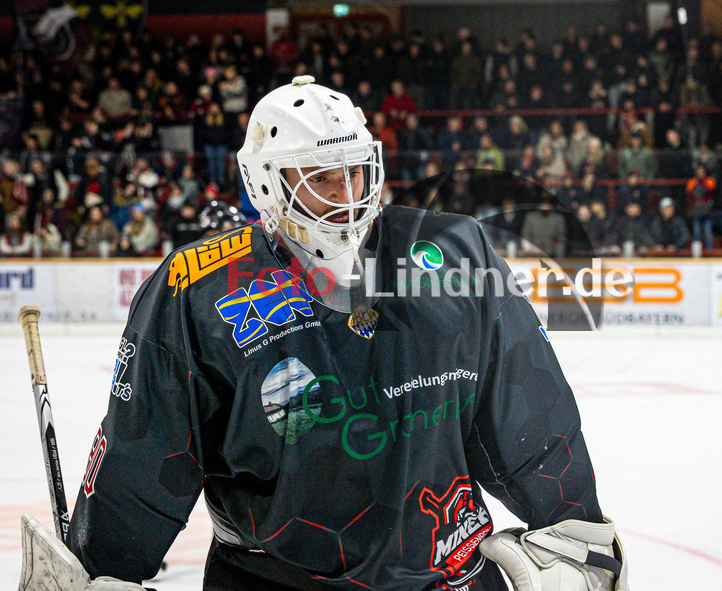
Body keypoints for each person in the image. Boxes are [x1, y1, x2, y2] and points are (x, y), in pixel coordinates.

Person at [65, 76, 625, 591]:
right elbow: (144, 450)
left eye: (355, 170)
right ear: (268, 182)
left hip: (446, 574)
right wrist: (102, 569)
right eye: (322, 178)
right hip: (273, 582)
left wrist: (573, 528)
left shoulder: (456, 251)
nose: (348, 193)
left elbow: (527, 409)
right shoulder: (196, 287)